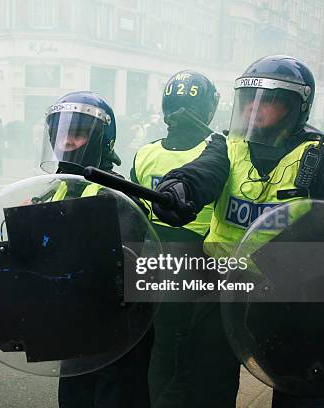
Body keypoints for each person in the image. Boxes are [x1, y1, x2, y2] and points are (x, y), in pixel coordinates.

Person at [152, 55, 324, 407]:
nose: (254, 108)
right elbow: (204, 170)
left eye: (268, 101)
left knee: (304, 390)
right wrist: (180, 187)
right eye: (248, 99)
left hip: (290, 299)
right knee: (201, 384)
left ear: (297, 107)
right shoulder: (225, 146)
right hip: (225, 286)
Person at [131, 70, 241, 408]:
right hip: (200, 263)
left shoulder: (144, 152)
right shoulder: (221, 150)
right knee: (194, 356)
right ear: (209, 109)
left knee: (161, 348)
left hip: (152, 258)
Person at [39, 90, 153, 408]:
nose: (66, 142)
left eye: (77, 133)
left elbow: (123, 270)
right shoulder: (58, 187)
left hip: (114, 335)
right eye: (60, 133)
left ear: (103, 140)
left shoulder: (118, 194)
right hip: (74, 327)